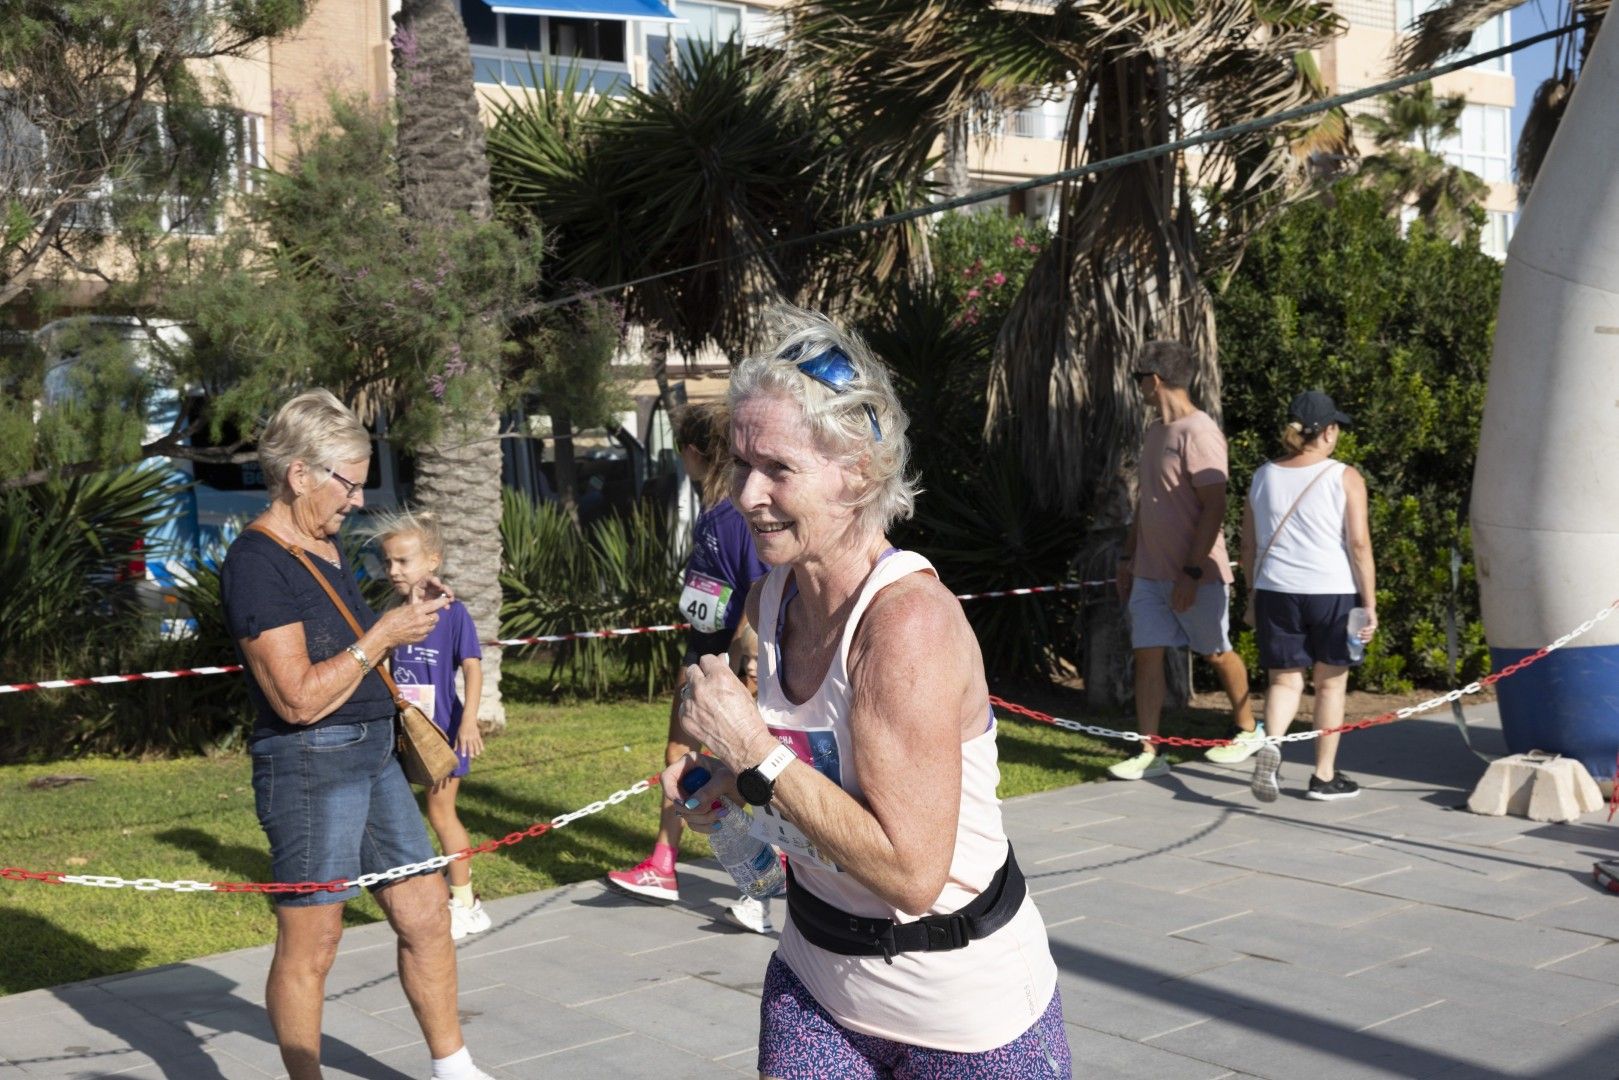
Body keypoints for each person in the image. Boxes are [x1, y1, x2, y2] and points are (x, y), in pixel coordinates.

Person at [666, 306, 1070, 1078]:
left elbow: (912, 874)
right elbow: (808, 782)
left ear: (856, 470)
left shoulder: (905, 624)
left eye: (777, 469)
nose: (747, 495)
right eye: (741, 463)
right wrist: (725, 780)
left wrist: (750, 749)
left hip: (961, 1010)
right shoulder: (773, 597)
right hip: (817, 977)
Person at [221, 390, 494, 1080]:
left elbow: (342, 652)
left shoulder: (323, 543)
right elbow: (296, 699)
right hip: (310, 764)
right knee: (313, 939)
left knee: (428, 913)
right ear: (300, 475)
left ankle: (454, 1067)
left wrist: (401, 617)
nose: (356, 500)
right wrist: (385, 634)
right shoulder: (257, 563)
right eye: (348, 482)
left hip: (371, 753)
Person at [607, 402, 769, 920]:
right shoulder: (713, 514)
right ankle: (663, 862)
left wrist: (749, 662)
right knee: (679, 754)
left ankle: (757, 884)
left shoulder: (734, 518)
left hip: (728, 661)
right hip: (701, 654)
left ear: (694, 454)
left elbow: (757, 589)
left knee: (748, 766)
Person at [1112, 339, 1259, 780]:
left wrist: (1192, 572)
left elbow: (1215, 506)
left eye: (1139, 378)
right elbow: (1147, 503)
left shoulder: (1201, 432)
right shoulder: (1156, 431)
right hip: (1149, 572)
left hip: (1197, 575)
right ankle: (1150, 751)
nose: (1137, 385)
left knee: (1215, 652)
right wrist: (1128, 556)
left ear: (1154, 380)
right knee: (1148, 656)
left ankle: (1249, 729)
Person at [1243, 391, 1378, 802]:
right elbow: (1358, 544)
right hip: (1331, 590)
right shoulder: (1345, 476)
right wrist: (1369, 604)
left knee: (1284, 681)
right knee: (1330, 685)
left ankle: (1273, 744)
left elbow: (1247, 543)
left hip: (1275, 589)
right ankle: (1322, 776)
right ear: (1329, 431)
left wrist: (1251, 595)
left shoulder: (1262, 475)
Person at [376, 510, 491, 939]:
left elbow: (473, 670)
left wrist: (468, 723)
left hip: (443, 734)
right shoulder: (391, 614)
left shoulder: (453, 613)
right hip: (404, 736)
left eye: (402, 561)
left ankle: (465, 901)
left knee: (442, 812)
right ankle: (424, 894)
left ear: (432, 561)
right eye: (387, 561)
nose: (392, 571)